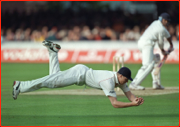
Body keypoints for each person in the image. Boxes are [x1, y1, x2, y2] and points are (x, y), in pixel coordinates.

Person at [13, 40, 144, 108]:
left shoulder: (119, 80)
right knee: (49, 82)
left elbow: (129, 94)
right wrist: (131, 105)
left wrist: (135, 100)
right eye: (126, 79)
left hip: (82, 73)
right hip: (79, 74)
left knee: (53, 78)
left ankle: (53, 52)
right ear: (120, 75)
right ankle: (20, 86)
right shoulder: (109, 81)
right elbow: (114, 103)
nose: (126, 82)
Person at [129, 12, 174, 90]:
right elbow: (160, 42)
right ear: (164, 20)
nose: (167, 23)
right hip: (147, 44)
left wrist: (171, 45)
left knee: (156, 58)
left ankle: (156, 83)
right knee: (148, 65)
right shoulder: (161, 28)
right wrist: (163, 50)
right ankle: (134, 83)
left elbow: (168, 35)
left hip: (141, 43)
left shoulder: (155, 23)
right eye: (166, 21)